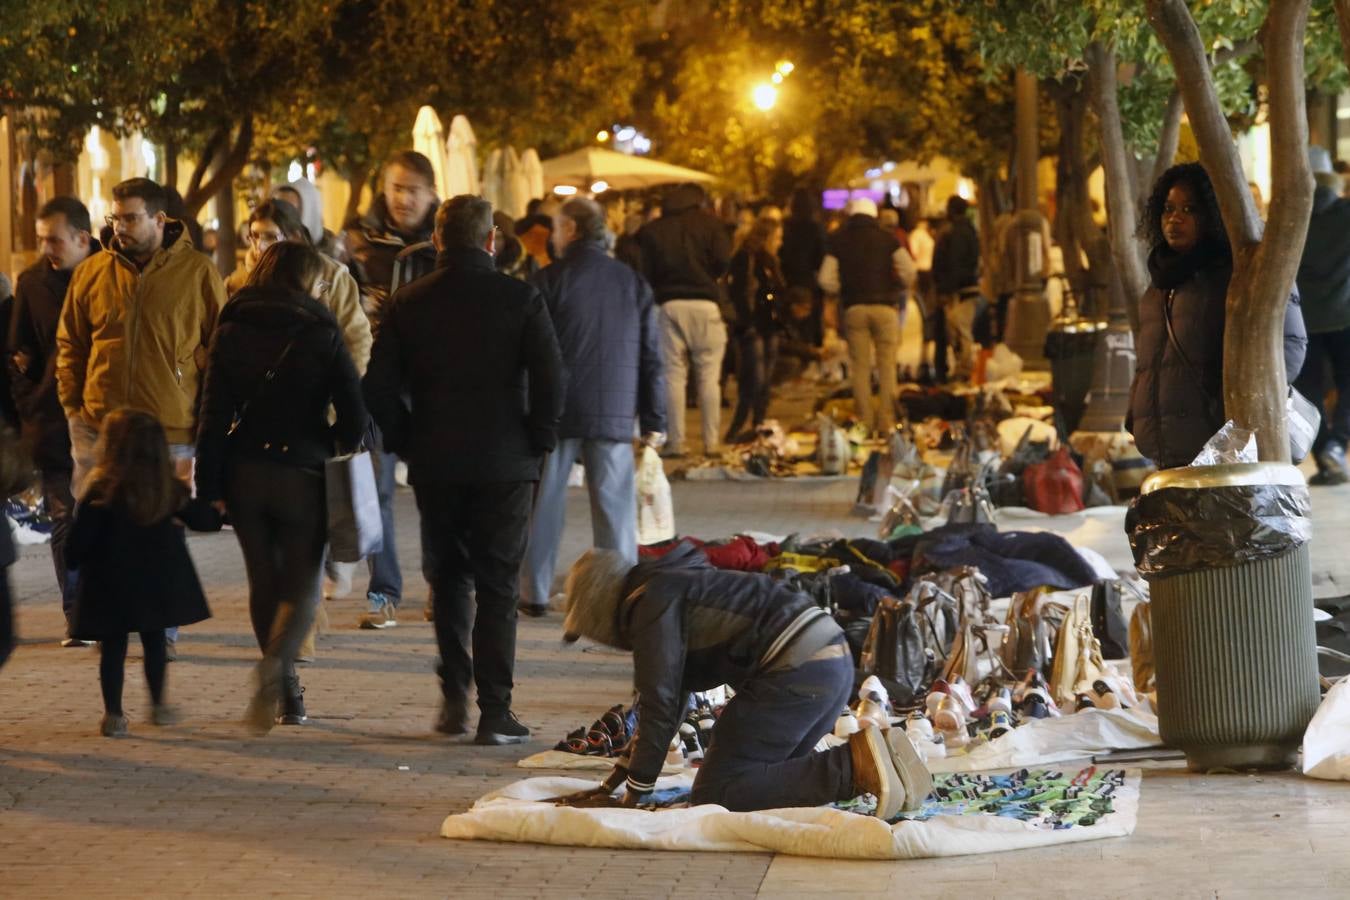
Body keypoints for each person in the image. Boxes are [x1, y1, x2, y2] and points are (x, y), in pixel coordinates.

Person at [363, 195, 564, 744]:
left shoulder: (409, 302)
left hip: (437, 461)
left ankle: (455, 694)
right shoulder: (521, 299)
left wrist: (407, 441)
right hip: (506, 462)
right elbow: (552, 378)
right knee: (499, 585)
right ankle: (495, 709)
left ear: (437, 241)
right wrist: (539, 440)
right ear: (492, 240)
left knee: (449, 580)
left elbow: (377, 387)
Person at [555, 545, 933, 818]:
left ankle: (853, 765)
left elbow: (661, 700)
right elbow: (672, 701)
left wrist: (634, 796)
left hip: (796, 670)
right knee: (766, 782)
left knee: (718, 792)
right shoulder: (672, 584)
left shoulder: (652, 603)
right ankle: (877, 758)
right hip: (831, 662)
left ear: (602, 610)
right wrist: (617, 781)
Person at [196, 242, 367, 733]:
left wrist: (209, 486)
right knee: (302, 587)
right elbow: (355, 416)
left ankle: (287, 688)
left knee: (263, 583)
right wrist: (329, 442)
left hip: (246, 473)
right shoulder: (321, 332)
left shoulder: (230, 329)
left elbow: (211, 417)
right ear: (306, 282)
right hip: (304, 473)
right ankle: (276, 668)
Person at [55, 177, 226, 660]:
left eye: (130, 218)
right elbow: (70, 342)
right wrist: (73, 404)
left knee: (160, 533)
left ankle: (162, 628)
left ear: (159, 219)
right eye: (116, 218)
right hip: (100, 427)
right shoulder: (92, 273)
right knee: (97, 527)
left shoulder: (197, 273)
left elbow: (220, 346)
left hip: (169, 428)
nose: (120, 228)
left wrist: (204, 415)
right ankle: (100, 621)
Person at [520, 197, 665, 617]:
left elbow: (531, 351)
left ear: (571, 230)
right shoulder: (633, 283)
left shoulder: (548, 280)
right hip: (615, 411)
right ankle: (620, 597)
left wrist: (527, 407)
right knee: (615, 510)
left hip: (557, 409)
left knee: (545, 504)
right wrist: (655, 418)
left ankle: (533, 592)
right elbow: (652, 357)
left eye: (557, 228)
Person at [1129, 162, 1307, 470]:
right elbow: (1149, 362)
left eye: (1189, 209)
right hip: (1165, 448)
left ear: (1213, 214)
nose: (1175, 218)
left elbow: (1291, 345)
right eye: (1168, 208)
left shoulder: (1241, 274)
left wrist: (1240, 412)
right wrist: (1135, 414)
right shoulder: (1160, 282)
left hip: (1224, 448)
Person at [66, 409, 220, 736]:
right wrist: (218, 507)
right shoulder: (166, 488)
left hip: (110, 585)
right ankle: (159, 705)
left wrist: (74, 561)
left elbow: (79, 543)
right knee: (154, 644)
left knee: (113, 649)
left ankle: (114, 715)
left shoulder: (100, 490)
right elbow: (204, 520)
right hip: (156, 584)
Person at [343, 150, 439, 630]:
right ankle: (383, 592)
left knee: (435, 493)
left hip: (429, 389)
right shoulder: (358, 245)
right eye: (396, 188)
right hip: (374, 386)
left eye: (413, 190)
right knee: (373, 495)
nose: (403, 199)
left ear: (432, 194)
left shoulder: (445, 246)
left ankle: (441, 586)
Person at [8, 197, 100, 644]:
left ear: (82, 238)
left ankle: (110, 608)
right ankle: (78, 615)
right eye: (42, 239)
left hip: (104, 417)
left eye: (54, 239)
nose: (47, 247)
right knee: (65, 518)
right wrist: (30, 398)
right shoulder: (32, 283)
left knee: (103, 517)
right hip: (51, 419)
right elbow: (17, 350)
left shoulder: (112, 275)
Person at [638, 183, 732, 459]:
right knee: (709, 377)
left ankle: (676, 442)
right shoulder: (712, 226)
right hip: (705, 305)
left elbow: (646, 270)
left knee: (673, 376)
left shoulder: (654, 230)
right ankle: (711, 442)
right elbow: (723, 262)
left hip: (668, 305)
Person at [818, 197, 916, 436]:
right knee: (887, 367)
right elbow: (909, 271)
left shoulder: (838, 240)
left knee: (859, 368)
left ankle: (865, 422)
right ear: (874, 215)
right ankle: (886, 422)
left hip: (854, 309)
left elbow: (825, 279)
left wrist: (843, 289)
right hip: (885, 308)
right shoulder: (888, 239)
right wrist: (897, 286)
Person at [1293, 147, 1350, 484]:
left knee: (1308, 392)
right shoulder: (1347, 213)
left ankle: (1323, 449)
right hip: (1346, 316)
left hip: (1305, 320)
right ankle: (1338, 444)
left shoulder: (1291, 217)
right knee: (1348, 385)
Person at [725, 217, 785, 441]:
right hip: (752, 326)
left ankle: (758, 425)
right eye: (777, 237)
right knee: (754, 380)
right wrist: (746, 321)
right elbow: (740, 292)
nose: (780, 241)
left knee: (764, 380)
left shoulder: (770, 260)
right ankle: (737, 427)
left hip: (768, 325)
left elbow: (778, 289)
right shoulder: (745, 258)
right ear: (767, 237)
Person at [931, 196, 982, 383]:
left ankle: (964, 368)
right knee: (960, 328)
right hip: (968, 287)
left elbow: (954, 263)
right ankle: (963, 367)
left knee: (959, 328)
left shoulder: (955, 233)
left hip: (959, 290)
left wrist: (946, 289)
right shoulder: (970, 230)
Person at [780, 188, 827, 346]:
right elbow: (821, 257)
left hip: (788, 280)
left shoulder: (785, 227)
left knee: (792, 324)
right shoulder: (816, 228)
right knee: (809, 323)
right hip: (809, 282)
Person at [272, 177, 348, 264]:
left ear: (310, 215)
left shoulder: (334, 263)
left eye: (290, 211)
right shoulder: (266, 250)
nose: (280, 218)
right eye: (277, 210)